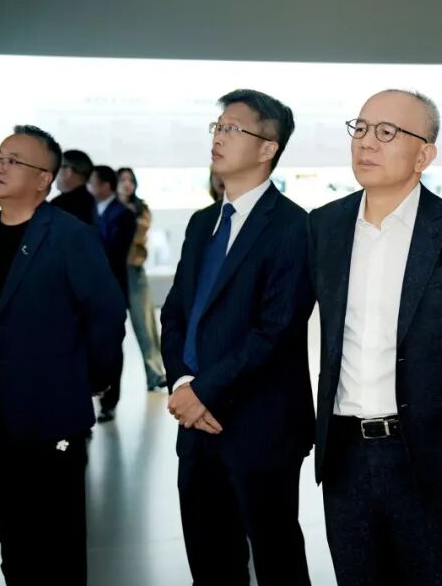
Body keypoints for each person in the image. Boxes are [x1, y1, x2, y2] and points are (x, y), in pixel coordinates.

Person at [308, 89, 442, 586]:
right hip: (345, 457)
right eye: (360, 128)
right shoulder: (324, 227)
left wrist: (426, 393)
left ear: (424, 155)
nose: (366, 142)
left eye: (387, 132)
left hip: (430, 454)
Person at [161, 89, 315, 585]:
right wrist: (182, 384)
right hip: (195, 423)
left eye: (232, 128)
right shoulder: (202, 223)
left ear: (268, 148)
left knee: (276, 562)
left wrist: (203, 391)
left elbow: (277, 329)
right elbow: (176, 314)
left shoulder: (294, 226)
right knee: (210, 563)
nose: (219, 137)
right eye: (217, 127)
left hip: (260, 424)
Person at [0, 125, 124, 585]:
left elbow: (107, 314)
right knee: (13, 541)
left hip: (52, 415)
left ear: (43, 179)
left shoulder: (70, 236)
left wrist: (91, 378)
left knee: (57, 545)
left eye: (13, 160)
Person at [89, 165, 137, 423]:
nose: (89, 187)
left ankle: (109, 401)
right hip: (86, 293)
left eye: (93, 182)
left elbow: (116, 253)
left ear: (105, 185)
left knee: (111, 348)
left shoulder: (124, 214)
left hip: (112, 290)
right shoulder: (87, 210)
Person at [117, 167, 168, 392]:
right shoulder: (108, 209)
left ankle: (155, 375)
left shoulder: (140, 209)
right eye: (122, 179)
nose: (127, 184)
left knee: (146, 326)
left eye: (130, 180)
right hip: (112, 272)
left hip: (134, 271)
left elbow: (137, 235)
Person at [51, 148, 96, 224]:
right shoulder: (95, 202)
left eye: (58, 167)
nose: (55, 173)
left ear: (68, 172)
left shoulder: (60, 205)